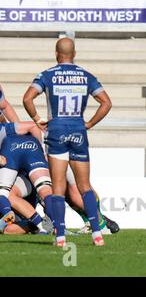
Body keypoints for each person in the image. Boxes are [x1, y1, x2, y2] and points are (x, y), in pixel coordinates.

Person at [23, 37, 112, 247]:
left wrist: (37, 119)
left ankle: (60, 236)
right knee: (84, 186)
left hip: (56, 130)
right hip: (78, 130)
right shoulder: (86, 75)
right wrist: (89, 123)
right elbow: (106, 103)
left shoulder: (47, 75)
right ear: (75, 54)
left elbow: (27, 98)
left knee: (58, 188)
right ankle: (97, 234)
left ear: (56, 54)